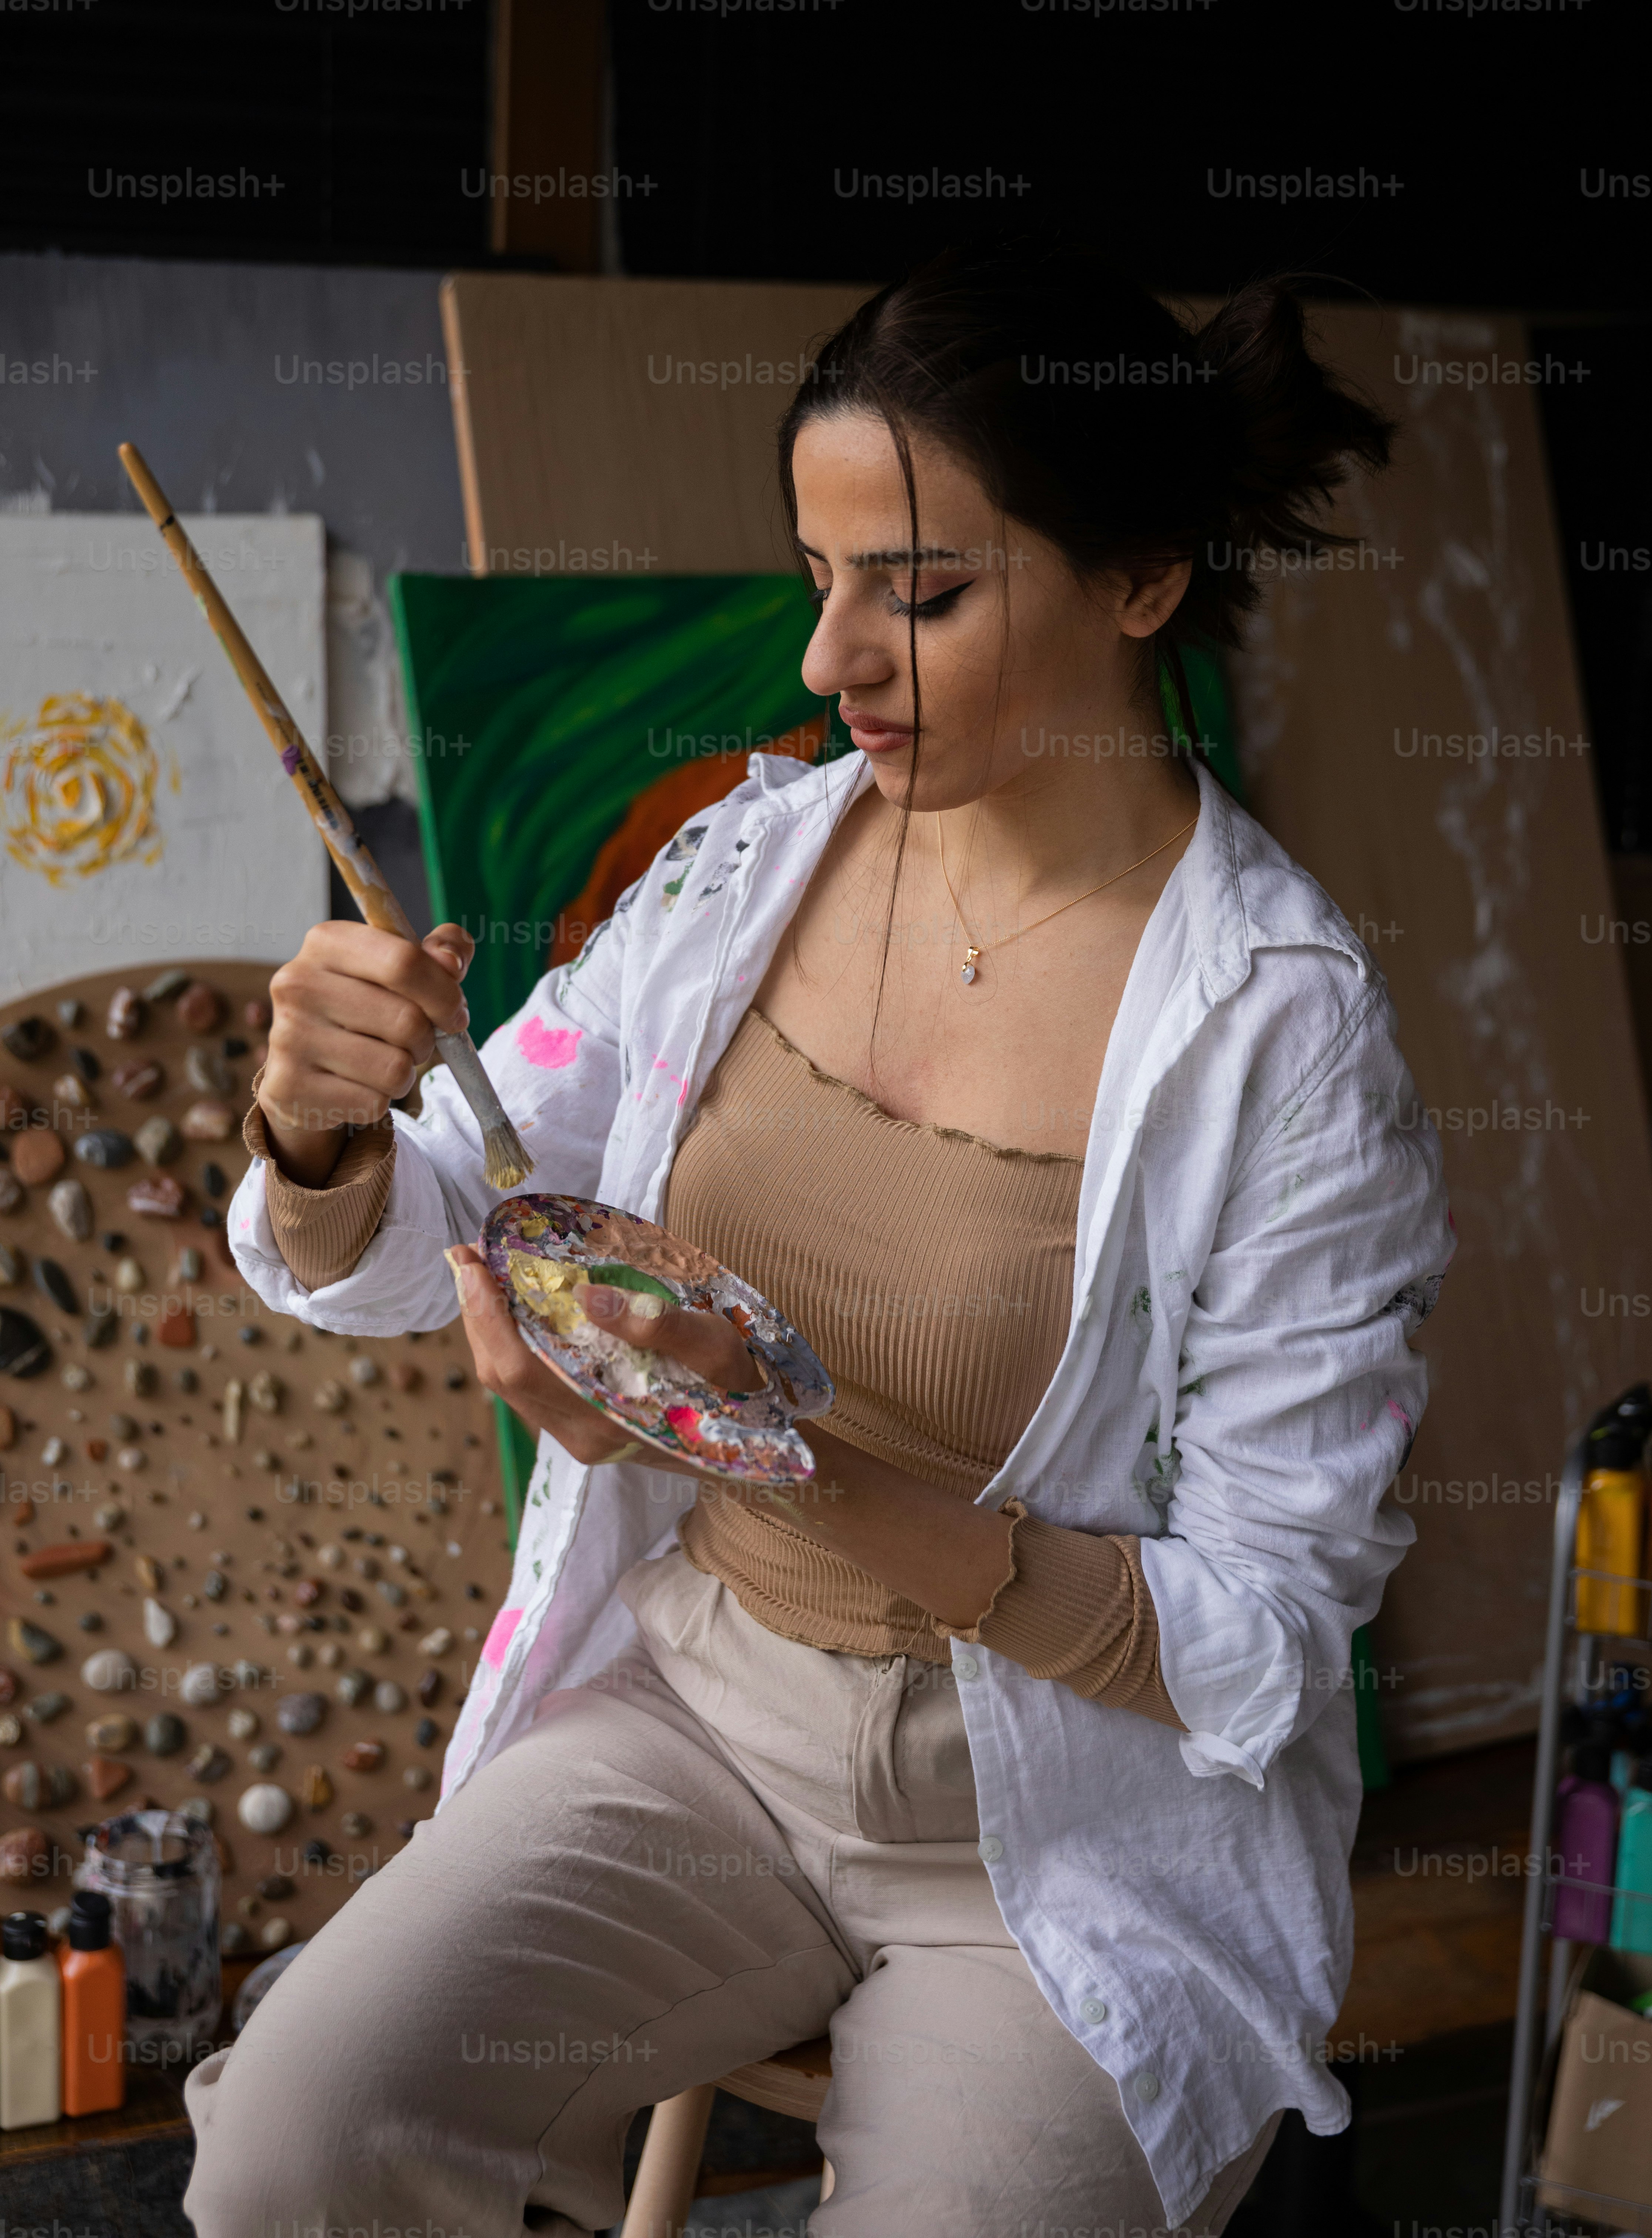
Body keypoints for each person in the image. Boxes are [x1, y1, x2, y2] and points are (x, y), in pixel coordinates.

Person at [183, 237, 1452, 2238]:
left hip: (1051, 1828)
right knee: (294, 2142)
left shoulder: (1282, 1035)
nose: (825, 661)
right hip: (707, 1718)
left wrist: (796, 1454)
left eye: (921, 594)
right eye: (822, 579)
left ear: (1142, 582)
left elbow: (1267, 1634)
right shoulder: (752, 861)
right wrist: (325, 1121)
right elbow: (459, 1190)